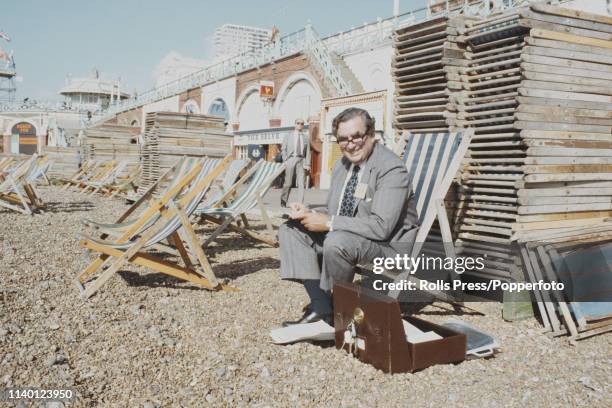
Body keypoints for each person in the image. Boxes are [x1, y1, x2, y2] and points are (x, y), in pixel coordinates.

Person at [278, 107, 418, 326]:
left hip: (388, 247)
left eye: (357, 136)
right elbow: (335, 213)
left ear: (371, 135)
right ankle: (323, 305)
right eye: (343, 139)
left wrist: (328, 222)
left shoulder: (391, 169)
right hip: (352, 237)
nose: (350, 143)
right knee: (290, 229)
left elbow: (381, 228)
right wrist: (309, 214)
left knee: (335, 240)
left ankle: (334, 311)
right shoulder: (342, 166)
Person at [280, 118, 310, 207]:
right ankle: (283, 200)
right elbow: (283, 148)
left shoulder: (306, 137)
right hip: (291, 159)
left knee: (301, 184)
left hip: (302, 160)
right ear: (295, 124)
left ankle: (300, 204)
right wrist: (285, 160)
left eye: (302, 123)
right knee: (288, 183)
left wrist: (308, 164)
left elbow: (308, 152)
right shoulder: (288, 135)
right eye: (298, 123)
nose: (300, 125)